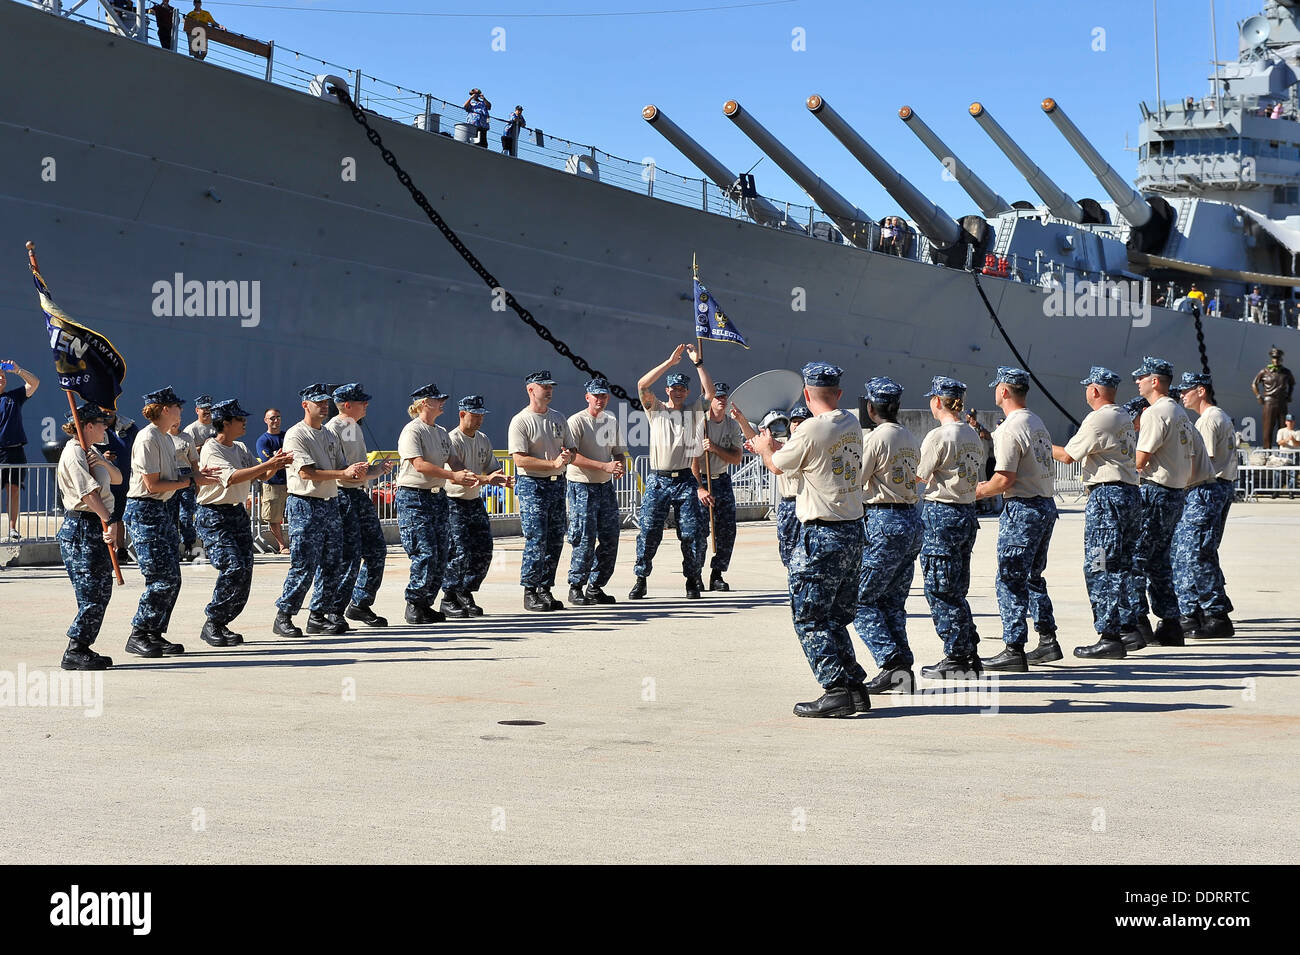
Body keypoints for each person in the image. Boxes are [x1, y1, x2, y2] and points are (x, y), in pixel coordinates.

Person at [751, 362, 870, 718]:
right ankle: (853, 686)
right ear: (838, 393)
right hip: (852, 531)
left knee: (809, 616)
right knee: (834, 617)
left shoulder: (810, 431)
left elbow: (777, 466)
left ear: (806, 393)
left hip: (822, 533)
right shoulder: (851, 423)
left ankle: (834, 689)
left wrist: (764, 446)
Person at [1052, 367, 1140, 659]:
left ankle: (1109, 635)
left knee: (1099, 565)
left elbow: (1067, 456)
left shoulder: (1098, 418)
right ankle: (1128, 628)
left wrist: (1037, 442)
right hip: (1128, 494)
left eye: (1087, 388)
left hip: (1106, 497)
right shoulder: (1123, 416)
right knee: (1121, 564)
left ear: (1095, 391)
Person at [125, 386, 220, 658]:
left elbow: (173, 476)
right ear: (165, 409)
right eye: (177, 406)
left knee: (172, 578)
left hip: (163, 508)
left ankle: (154, 632)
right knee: (161, 577)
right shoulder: (148, 438)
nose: (181, 411)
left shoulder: (165, 438)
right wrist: (192, 480)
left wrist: (197, 474)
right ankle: (139, 633)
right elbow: (152, 484)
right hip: (146, 509)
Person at [974, 367, 1058, 671]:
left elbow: (1003, 479)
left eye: (997, 386)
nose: (995, 391)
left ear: (1004, 391)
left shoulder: (1011, 427)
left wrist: (974, 492)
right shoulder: (1035, 422)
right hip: (1045, 505)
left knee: (1009, 579)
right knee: (1033, 576)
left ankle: (1014, 648)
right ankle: (1047, 638)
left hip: (1023, 509)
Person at [274, 383, 370, 638]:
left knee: (332, 563)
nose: (325, 407)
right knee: (304, 564)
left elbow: (342, 466)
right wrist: (344, 473)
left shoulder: (328, 436)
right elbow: (307, 472)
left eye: (326, 402)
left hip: (329, 503)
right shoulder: (297, 435)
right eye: (319, 403)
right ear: (305, 405)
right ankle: (284, 614)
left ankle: (318, 615)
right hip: (305, 504)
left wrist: (362, 471)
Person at [196, 399, 293, 647]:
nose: (244, 422)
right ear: (225, 423)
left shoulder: (238, 447)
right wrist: (268, 464)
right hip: (215, 515)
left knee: (245, 570)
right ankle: (213, 621)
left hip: (236, 514)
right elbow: (230, 478)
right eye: (239, 419)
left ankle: (221, 623)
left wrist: (275, 464)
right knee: (233, 566)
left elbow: (260, 474)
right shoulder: (212, 448)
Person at [852, 376, 923, 695]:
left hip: (884, 520)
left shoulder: (876, 439)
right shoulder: (907, 435)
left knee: (861, 599)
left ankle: (891, 662)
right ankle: (902, 669)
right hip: (910, 518)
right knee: (893, 601)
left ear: (870, 407)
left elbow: (856, 480)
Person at [630, 344, 714, 600]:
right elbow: (642, 385)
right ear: (667, 390)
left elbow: (709, 394)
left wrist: (698, 364)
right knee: (648, 531)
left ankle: (692, 579)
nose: (677, 392)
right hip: (658, 479)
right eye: (673, 388)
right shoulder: (656, 410)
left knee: (692, 533)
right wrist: (669, 363)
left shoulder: (692, 412)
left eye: (682, 389)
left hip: (685, 480)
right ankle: (641, 579)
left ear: (687, 392)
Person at [915, 376, 986, 678]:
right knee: (956, 588)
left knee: (940, 589)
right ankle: (968, 649)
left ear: (936, 401)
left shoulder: (938, 436)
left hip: (942, 514)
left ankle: (957, 655)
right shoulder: (971, 433)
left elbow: (919, 475)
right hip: (967, 514)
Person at [1125, 357, 1198, 646]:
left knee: (1136, 560)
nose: (1137, 381)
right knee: (1159, 562)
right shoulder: (1179, 412)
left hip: (1155, 492)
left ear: (1155, 381)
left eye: (1141, 377)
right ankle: (1170, 624)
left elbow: (1140, 461)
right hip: (1175, 493)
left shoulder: (1155, 413)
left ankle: (1138, 624)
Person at [396, 383, 477, 624]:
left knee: (443, 552)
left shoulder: (441, 432)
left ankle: (426, 603)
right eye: (436, 399)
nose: (442, 402)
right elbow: (419, 465)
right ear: (423, 404)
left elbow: (453, 460)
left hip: (436, 497)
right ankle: (413, 603)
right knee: (425, 552)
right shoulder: (413, 431)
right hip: (414, 497)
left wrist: (474, 477)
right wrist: (454, 476)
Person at [55, 402, 122, 671]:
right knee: (92, 592)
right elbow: (88, 495)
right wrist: (111, 521)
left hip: (94, 525)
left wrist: (104, 461)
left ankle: (83, 646)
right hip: (82, 527)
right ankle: (75, 649)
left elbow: (116, 479)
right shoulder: (74, 454)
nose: (105, 426)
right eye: (100, 422)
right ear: (88, 426)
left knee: (100, 590)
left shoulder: (89, 451)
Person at [326, 383, 394, 628]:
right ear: (347, 405)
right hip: (343, 495)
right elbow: (337, 471)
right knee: (349, 555)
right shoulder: (333, 429)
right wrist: (352, 475)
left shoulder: (354, 428)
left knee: (376, 550)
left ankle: (360, 603)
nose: (366, 404)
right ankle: (334, 608)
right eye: (361, 401)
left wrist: (378, 470)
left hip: (358, 494)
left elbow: (360, 470)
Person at [1175, 372, 1237, 638]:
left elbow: (1204, 459)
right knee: (1201, 550)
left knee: (1197, 552)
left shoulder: (1209, 420)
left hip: (1206, 488)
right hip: (1219, 488)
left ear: (1201, 391)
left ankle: (1216, 614)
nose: (1182, 395)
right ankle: (1199, 608)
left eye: (1186, 390)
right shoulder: (1218, 416)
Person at [508, 371, 574, 612]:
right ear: (530, 390)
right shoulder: (521, 421)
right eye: (543, 386)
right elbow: (520, 460)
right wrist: (553, 464)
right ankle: (530, 590)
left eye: (551, 386)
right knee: (536, 538)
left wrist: (568, 456)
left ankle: (545, 589)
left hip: (557, 484)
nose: (549, 390)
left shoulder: (558, 418)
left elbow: (571, 449)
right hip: (532, 485)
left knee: (555, 539)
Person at [443, 395, 511, 617]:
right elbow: (460, 475)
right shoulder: (451, 439)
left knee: (483, 549)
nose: (480, 420)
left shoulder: (483, 439)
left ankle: (465, 590)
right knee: (460, 551)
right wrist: (487, 479)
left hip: (474, 500)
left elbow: (492, 469)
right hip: (454, 501)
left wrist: (502, 478)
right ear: (463, 414)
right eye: (475, 415)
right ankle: (449, 596)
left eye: (482, 415)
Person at [564, 378, 627, 606]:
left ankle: (595, 586)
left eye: (604, 396)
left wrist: (620, 464)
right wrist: (604, 466)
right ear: (587, 397)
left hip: (605, 486)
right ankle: (576, 586)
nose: (600, 400)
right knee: (584, 537)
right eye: (596, 396)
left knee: (611, 536)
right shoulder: (576, 422)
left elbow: (619, 451)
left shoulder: (611, 420)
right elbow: (572, 456)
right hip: (582, 486)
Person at [697, 381, 745, 591]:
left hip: (722, 479)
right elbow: (691, 460)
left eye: (724, 397)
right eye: (717, 397)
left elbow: (736, 458)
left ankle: (717, 574)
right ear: (710, 400)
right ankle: (694, 573)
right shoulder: (701, 423)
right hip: (702, 479)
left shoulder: (731, 425)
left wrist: (715, 448)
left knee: (726, 530)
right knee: (698, 531)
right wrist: (699, 487)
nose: (721, 400)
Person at [0, 359, 39, 542]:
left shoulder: (13, 397)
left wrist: (18, 370)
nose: (1, 378)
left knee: (13, 490)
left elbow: (34, 383)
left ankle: (12, 529)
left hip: (14, 451)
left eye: (2, 375)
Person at [98, 409, 138, 562]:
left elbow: (138, 448)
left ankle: (120, 549)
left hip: (125, 479)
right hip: (103, 481)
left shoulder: (129, 427)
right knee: (105, 515)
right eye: (103, 410)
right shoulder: (94, 425)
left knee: (120, 515)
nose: (107, 413)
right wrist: (103, 457)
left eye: (110, 410)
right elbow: (89, 451)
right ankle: (107, 549)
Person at [167, 416, 202, 561]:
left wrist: (198, 482)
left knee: (186, 515)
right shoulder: (163, 437)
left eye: (179, 419)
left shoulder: (186, 437)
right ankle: (173, 547)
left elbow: (194, 461)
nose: (176, 422)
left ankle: (189, 545)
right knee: (171, 514)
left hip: (186, 474)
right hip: (170, 475)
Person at [256, 408, 290, 553]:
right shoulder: (263, 440)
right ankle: (282, 545)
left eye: (278, 417)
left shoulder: (288, 436)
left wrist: (280, 458)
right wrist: (280, 459)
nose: (276, 420)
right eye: (272, 418)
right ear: (265, 421)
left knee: (294, 514)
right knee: (274, 517)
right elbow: (269, 461)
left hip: (291, 482)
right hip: (273, 483)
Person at [1251, 346, 1294, 449]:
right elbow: (1254, 384)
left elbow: (1292, 384)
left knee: (1283, 429)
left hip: (1282, 403)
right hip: (1269, 402)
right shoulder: (1264, 371)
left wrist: (1289, 395)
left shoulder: (1286, 372)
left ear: (1281, 359)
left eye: (1278, 358)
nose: (1276, 360)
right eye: (1274, 358)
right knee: (1268, 429)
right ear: (1271, 359)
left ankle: (1284, 452)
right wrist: (1258, 396)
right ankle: (1267, 452)